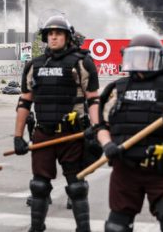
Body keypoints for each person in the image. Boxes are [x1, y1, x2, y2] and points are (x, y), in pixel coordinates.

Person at [98, 33, 163, 232]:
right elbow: (102, 127)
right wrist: (107, 144)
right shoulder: (117, 90)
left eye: (145, 56)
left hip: (162, 168)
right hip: (126, 167)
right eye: (135, 57)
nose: (140, 62)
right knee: (116, 226)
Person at [13, 15, 100, 232]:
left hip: (73, 134)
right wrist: (17, 136)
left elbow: (93, 100)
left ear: (67, 37)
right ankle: (36, 228)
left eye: (58, 33)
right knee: (39, 186)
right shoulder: (35, 65)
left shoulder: (81, 63)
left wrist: (97, 130)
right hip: (43, 133)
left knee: (77, 187)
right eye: (50, 34)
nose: (53, 37)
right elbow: (24, 102)